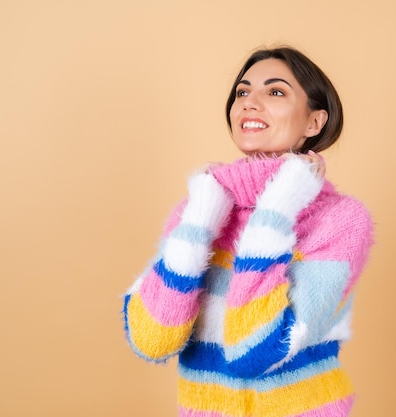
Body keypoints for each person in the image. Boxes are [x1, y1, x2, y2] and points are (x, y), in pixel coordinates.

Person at [123, 46, 374, 417]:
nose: (249, 103)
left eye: (275, 92)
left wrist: (278, 209)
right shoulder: (200, 210)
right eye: (242, 92)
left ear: (314, 123)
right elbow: (152, 339)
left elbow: (256, 351)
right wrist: (200, 220)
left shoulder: (340, 220)